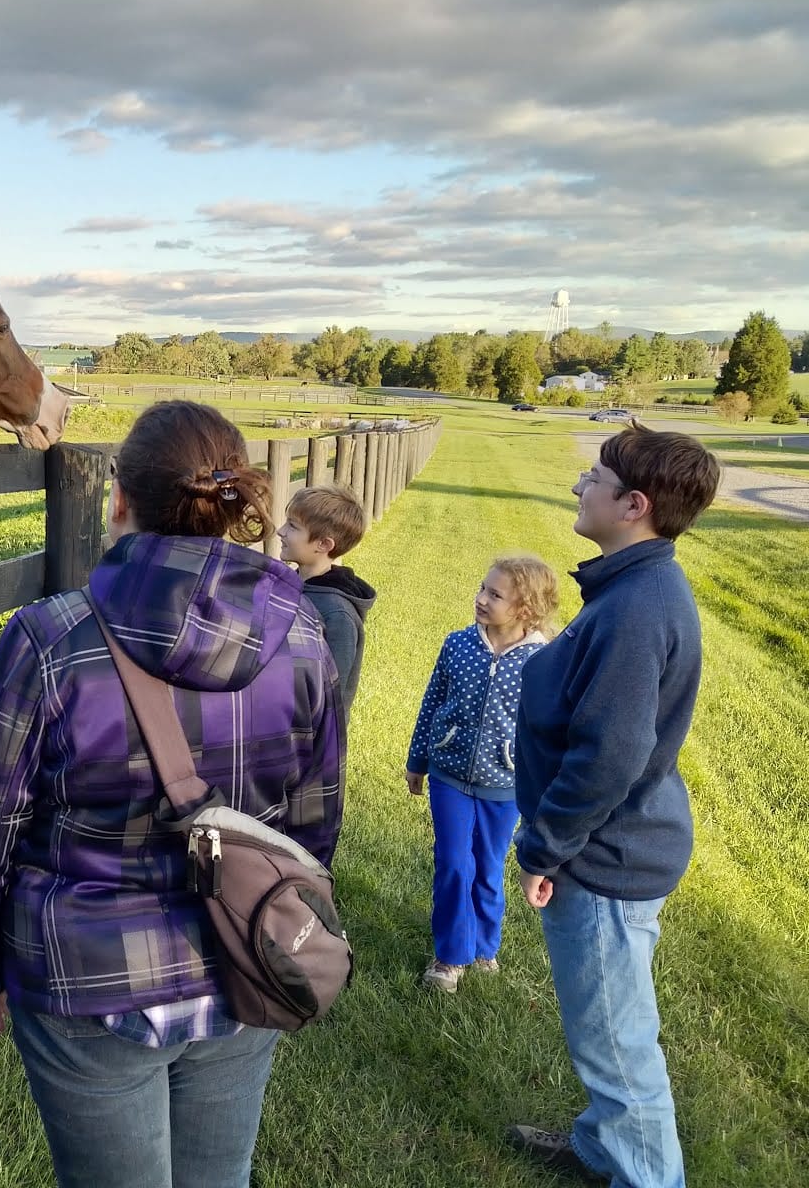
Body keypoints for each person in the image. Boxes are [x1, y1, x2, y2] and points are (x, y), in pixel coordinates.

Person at [0, 400, 343, 1188]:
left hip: (87, 977)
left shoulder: (50, 639)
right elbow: (314, 818)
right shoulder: (303, 634)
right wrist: (285, 921)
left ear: (117, 498)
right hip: (247, 954)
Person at [506, 423, 720, 1187]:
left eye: (591, 477)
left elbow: (609, 758)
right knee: (609, 1028)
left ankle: (645, 1174)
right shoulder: (633, 588)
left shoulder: (636, 609)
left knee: (618, 1048)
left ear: (633, 504)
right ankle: (603, 1148)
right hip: (613, 847)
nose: (578, 487)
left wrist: (544, 848)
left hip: (603, 859)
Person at [405, 555, 558, 993]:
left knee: (488, 869)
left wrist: (539, 787)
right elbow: (432, 702)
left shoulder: (542, 660)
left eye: (495, 595)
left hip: (505, 787)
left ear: (525, 610)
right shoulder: (457, 645)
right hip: (449, 775)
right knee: (454, 863)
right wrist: (418, 760)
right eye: (482, 589)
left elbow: (546, 731)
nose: (481, 599)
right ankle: (450, 957)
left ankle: (486, 946)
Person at [278, 484, 377, 725]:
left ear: (323, 544)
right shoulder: (287, 585)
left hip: (310, 740)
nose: (280, 531)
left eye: (292, 526)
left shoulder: (337, 614)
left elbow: (331, 691)